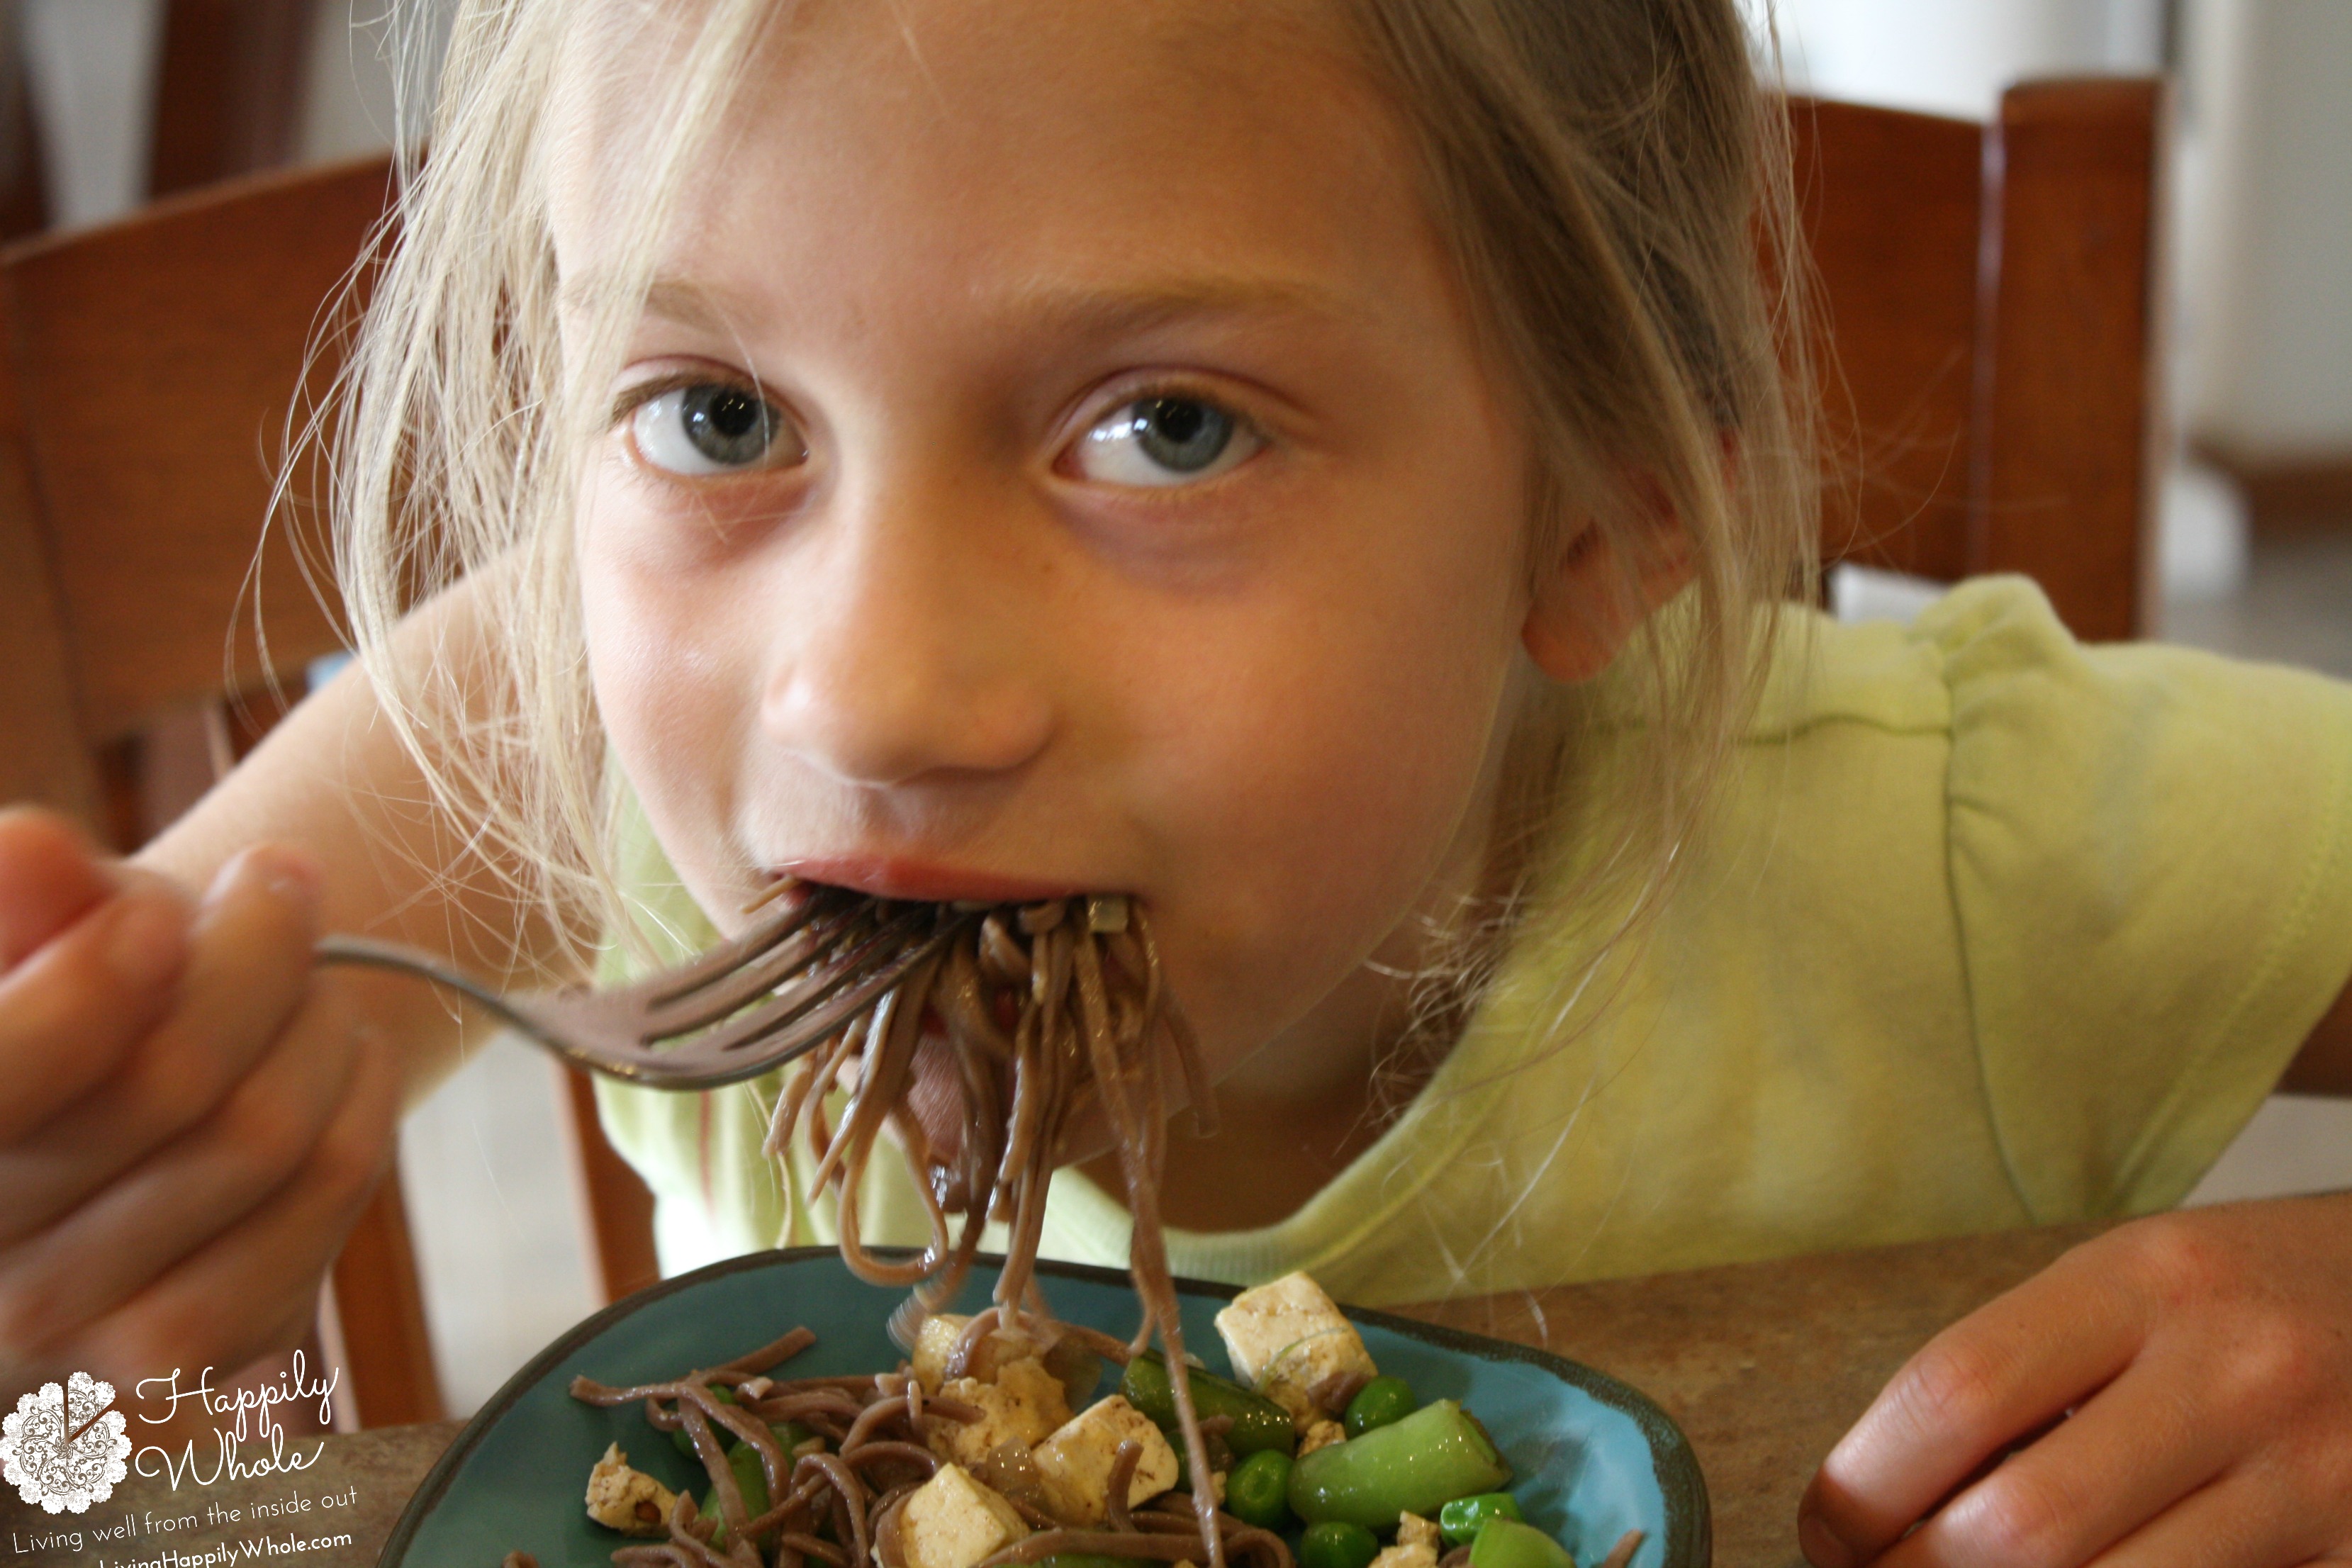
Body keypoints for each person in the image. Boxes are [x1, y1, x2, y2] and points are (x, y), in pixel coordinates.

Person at [2, 0, 2348, 1561]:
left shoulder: (1959, 851)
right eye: (723, 415)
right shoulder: (589, 729)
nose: (877, 688)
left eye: (1168, 426)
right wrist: (77, 1376)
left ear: (1607, 503)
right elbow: (86, 1363)